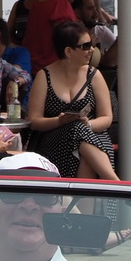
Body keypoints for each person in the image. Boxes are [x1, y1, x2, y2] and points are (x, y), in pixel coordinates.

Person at [27, 20, 116, 180]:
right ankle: (115, 182)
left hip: (93, 136)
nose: (92, 50)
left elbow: (107, 118)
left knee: (82, 144)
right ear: (68, 51)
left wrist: (87, 124)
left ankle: (84, 202)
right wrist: (59, 121)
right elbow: (34, 121)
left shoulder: (93, 75)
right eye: (85, 46)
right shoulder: (44, 76)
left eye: (92, 44)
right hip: (54, 141)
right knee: (76, 129)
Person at [22, 0, 80, 69]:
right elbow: (66, 37)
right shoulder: (60, 4)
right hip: (52, 65)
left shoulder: (39, 1)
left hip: (32, 63)